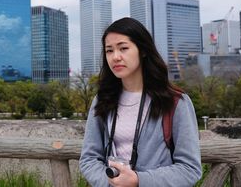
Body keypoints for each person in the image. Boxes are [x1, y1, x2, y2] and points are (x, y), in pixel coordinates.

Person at [79, 17, 202, 187]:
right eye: (109, 50)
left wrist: (138, 180)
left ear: (143, 50)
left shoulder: (175, 102)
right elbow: (89, 158)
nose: (115, 57)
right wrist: (110, 183)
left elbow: (190, 168)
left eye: (123, 48)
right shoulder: (103, 99)